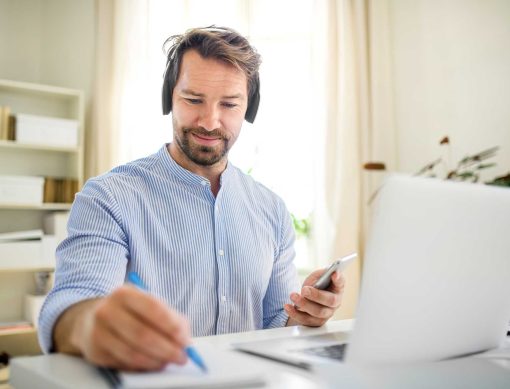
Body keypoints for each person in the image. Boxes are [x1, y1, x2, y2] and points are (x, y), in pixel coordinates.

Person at [38, 26, 345, 371]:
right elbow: (69, 306)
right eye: (193, 100)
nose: (210, 121)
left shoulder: (271, 210)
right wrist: (91, 324)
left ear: (249, 107)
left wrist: (304, 317)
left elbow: (276, 326)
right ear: (169, 96)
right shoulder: (109, 198)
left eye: (229, 104)